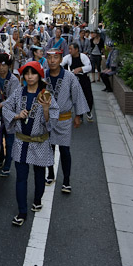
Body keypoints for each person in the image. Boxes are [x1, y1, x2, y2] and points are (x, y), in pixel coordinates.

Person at [3, 61, 59, 226]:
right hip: (21, 141)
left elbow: (52, 122)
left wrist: (47, 109)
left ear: (39, 75)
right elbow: (6, 108)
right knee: (21, 178)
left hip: (40, 142)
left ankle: (37, 199)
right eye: (26, 73)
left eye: (33, 73)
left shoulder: (46, 94)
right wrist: (17, 115)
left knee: (39, 175)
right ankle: (22, 212)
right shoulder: (18, 92)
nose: (29, 76)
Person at [44, 50, 89, 192]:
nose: (52, 61)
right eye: (49, 57)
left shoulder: (69, 77)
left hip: (64, 118)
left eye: (55, 58)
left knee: (64, 150)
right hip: (47, 119)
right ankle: (50, 174)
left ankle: (66, 180)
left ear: (61, 59)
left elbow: (77, 95)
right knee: (48, 149)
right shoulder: (43, 76)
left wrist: (78, 116)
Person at [0, 53, 20, 176]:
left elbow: (14, 97)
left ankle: (7, 165)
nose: (1, 68)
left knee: (9, 139)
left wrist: (2, 104)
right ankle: (0, 157)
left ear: (9, 66)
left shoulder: (14, 80)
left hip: (10, 113)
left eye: (4, 65)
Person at [61, 43, 94, 122]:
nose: (69, 51)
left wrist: (80, 69)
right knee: (77, 98)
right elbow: (61, 64)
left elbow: (89, 67)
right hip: (75, 81)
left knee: (89, 97)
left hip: (84, 79)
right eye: (69, 49)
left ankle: (88, 111)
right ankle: (80, 115)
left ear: (76, 50)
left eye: (71, 49)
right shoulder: (68, 57)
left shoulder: (83, 57)